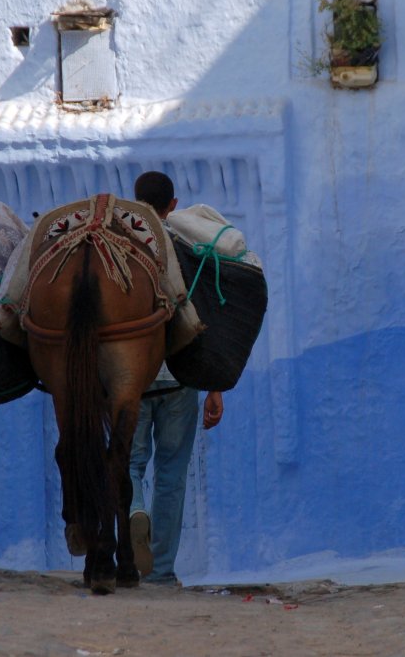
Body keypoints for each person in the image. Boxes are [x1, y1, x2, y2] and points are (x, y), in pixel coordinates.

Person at [129, 171, 224, 586]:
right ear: (173, 205)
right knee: (171, 474)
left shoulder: (123, 248)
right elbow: (209, 315)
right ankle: (161, 571)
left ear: (136, 202)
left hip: (130, 380)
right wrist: (215, 386)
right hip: (181, 379)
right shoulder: (189, 244)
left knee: (129, 466)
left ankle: (135, 510)